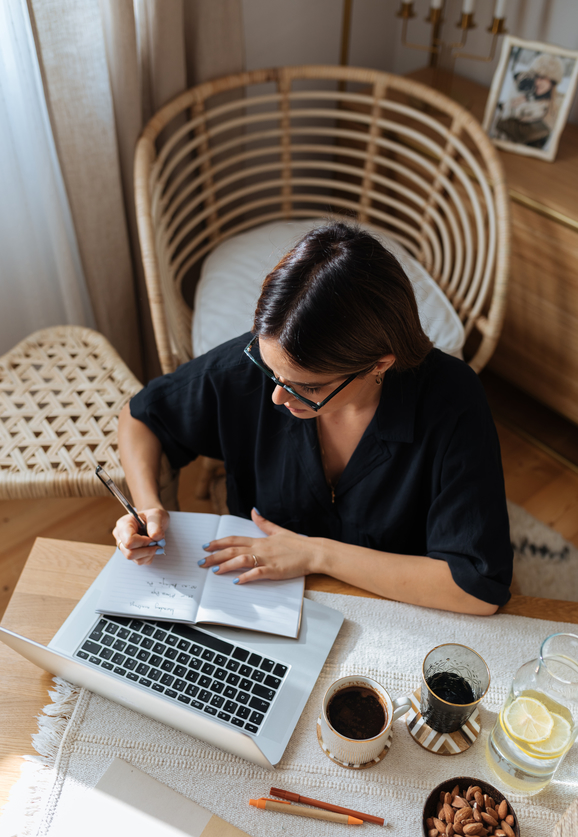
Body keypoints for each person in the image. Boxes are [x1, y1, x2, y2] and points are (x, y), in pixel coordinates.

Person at [114, 222, 512, 616]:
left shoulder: (453, 400)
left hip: (392, 612)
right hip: (257, 601)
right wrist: (149, 508)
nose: (277, 395)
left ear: (379, 365)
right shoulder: (263, 365)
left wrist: (316, 554)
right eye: (271, 372)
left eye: (309, 386)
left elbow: (475, 589)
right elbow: (142, 416)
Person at [496, 54, 565, 149]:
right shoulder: (526, 96)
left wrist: (508, 112)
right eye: (536, 76)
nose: (537, 82)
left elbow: (522, 133)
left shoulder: (555, 106)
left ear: (553, 82)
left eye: (543, 78)